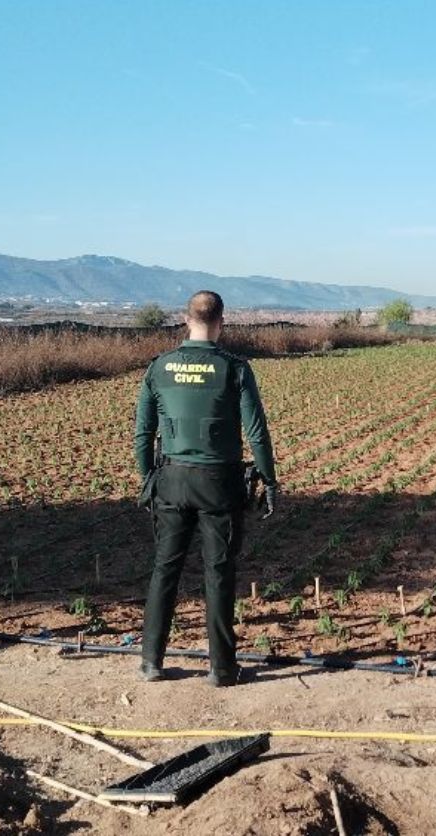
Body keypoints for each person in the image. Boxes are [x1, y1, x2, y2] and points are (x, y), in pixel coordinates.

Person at [134, 290, 278, 687]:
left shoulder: (159, 368)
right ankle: (221, 668)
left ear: (186, 320)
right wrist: (269, 479)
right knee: (218, 572)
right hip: (219, 484)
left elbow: (143, 434)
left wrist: (149, 479)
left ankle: (151, 661)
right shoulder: (234, 368)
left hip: (172, 481)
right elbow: (256, 433)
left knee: (165, 568)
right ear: (221, 322)